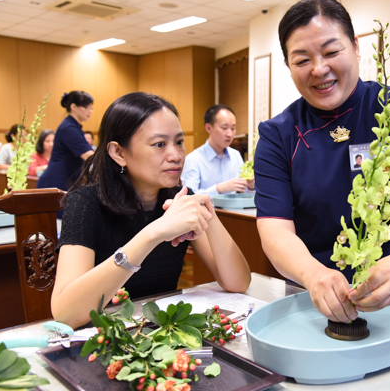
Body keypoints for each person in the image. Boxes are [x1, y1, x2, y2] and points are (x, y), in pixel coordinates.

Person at [254, 0, 390, 324]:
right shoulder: (278, 135)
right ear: (288, 66)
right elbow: (274, 232)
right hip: (315, 307)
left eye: (332, 52)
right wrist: (312, 275)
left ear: (356, 46)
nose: (320, 69)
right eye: (302, 59)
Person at [51, 92, 251, 328]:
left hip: (162, 336)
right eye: (159, 145)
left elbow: (238, 283)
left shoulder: (180, 200)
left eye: (179, 142)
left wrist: (209, 213)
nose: (175, 156)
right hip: (104, 340)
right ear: (119, 153)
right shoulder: (85, 203)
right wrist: (152, 233)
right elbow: (65, 313)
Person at [180, 104, 254, 199]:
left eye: (233, 128)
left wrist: (250, 186)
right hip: (204, 213)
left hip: (234, 212)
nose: (230, 134)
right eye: (224, 128)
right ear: (208, 128)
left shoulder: (235, 155)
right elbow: (188, 197)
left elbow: (243, 191)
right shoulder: (193, 159)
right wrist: (219, 188)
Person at [37, 91, 94, 192]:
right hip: (56, 181)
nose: (90, 111)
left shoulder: (74, 126)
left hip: (63, 180)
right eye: (86, 107)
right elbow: (88, 155)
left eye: (91, 108)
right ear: (74, 107)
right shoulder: (68, 128)